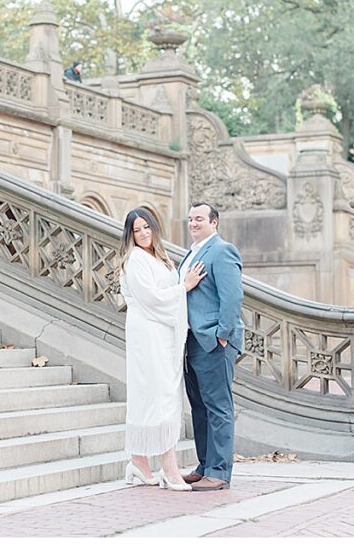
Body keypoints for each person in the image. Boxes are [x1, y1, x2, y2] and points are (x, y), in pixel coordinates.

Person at [118, 207, 206, 491]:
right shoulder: (135, 260)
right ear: (130, 235)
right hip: (148, 333)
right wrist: (184, 287)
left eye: (147, 227)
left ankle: (139, 463)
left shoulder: (160, 258)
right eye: (137, 230)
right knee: (157, 395)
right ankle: (168, 468)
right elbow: (151, 299)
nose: (143, 233)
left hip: (162, 332)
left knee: (158, 393)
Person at [178, 202, 244, 491]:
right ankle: (204, 465)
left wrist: (223, 334)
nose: (193, 223)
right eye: (191, 219)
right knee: (199, 408)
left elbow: (232, 297)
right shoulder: (190, 253)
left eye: (200, 219)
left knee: (218, 408)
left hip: (214, 341)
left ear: (214, 222)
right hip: (190, 341)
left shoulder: (222, 250)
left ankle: (219, 472)